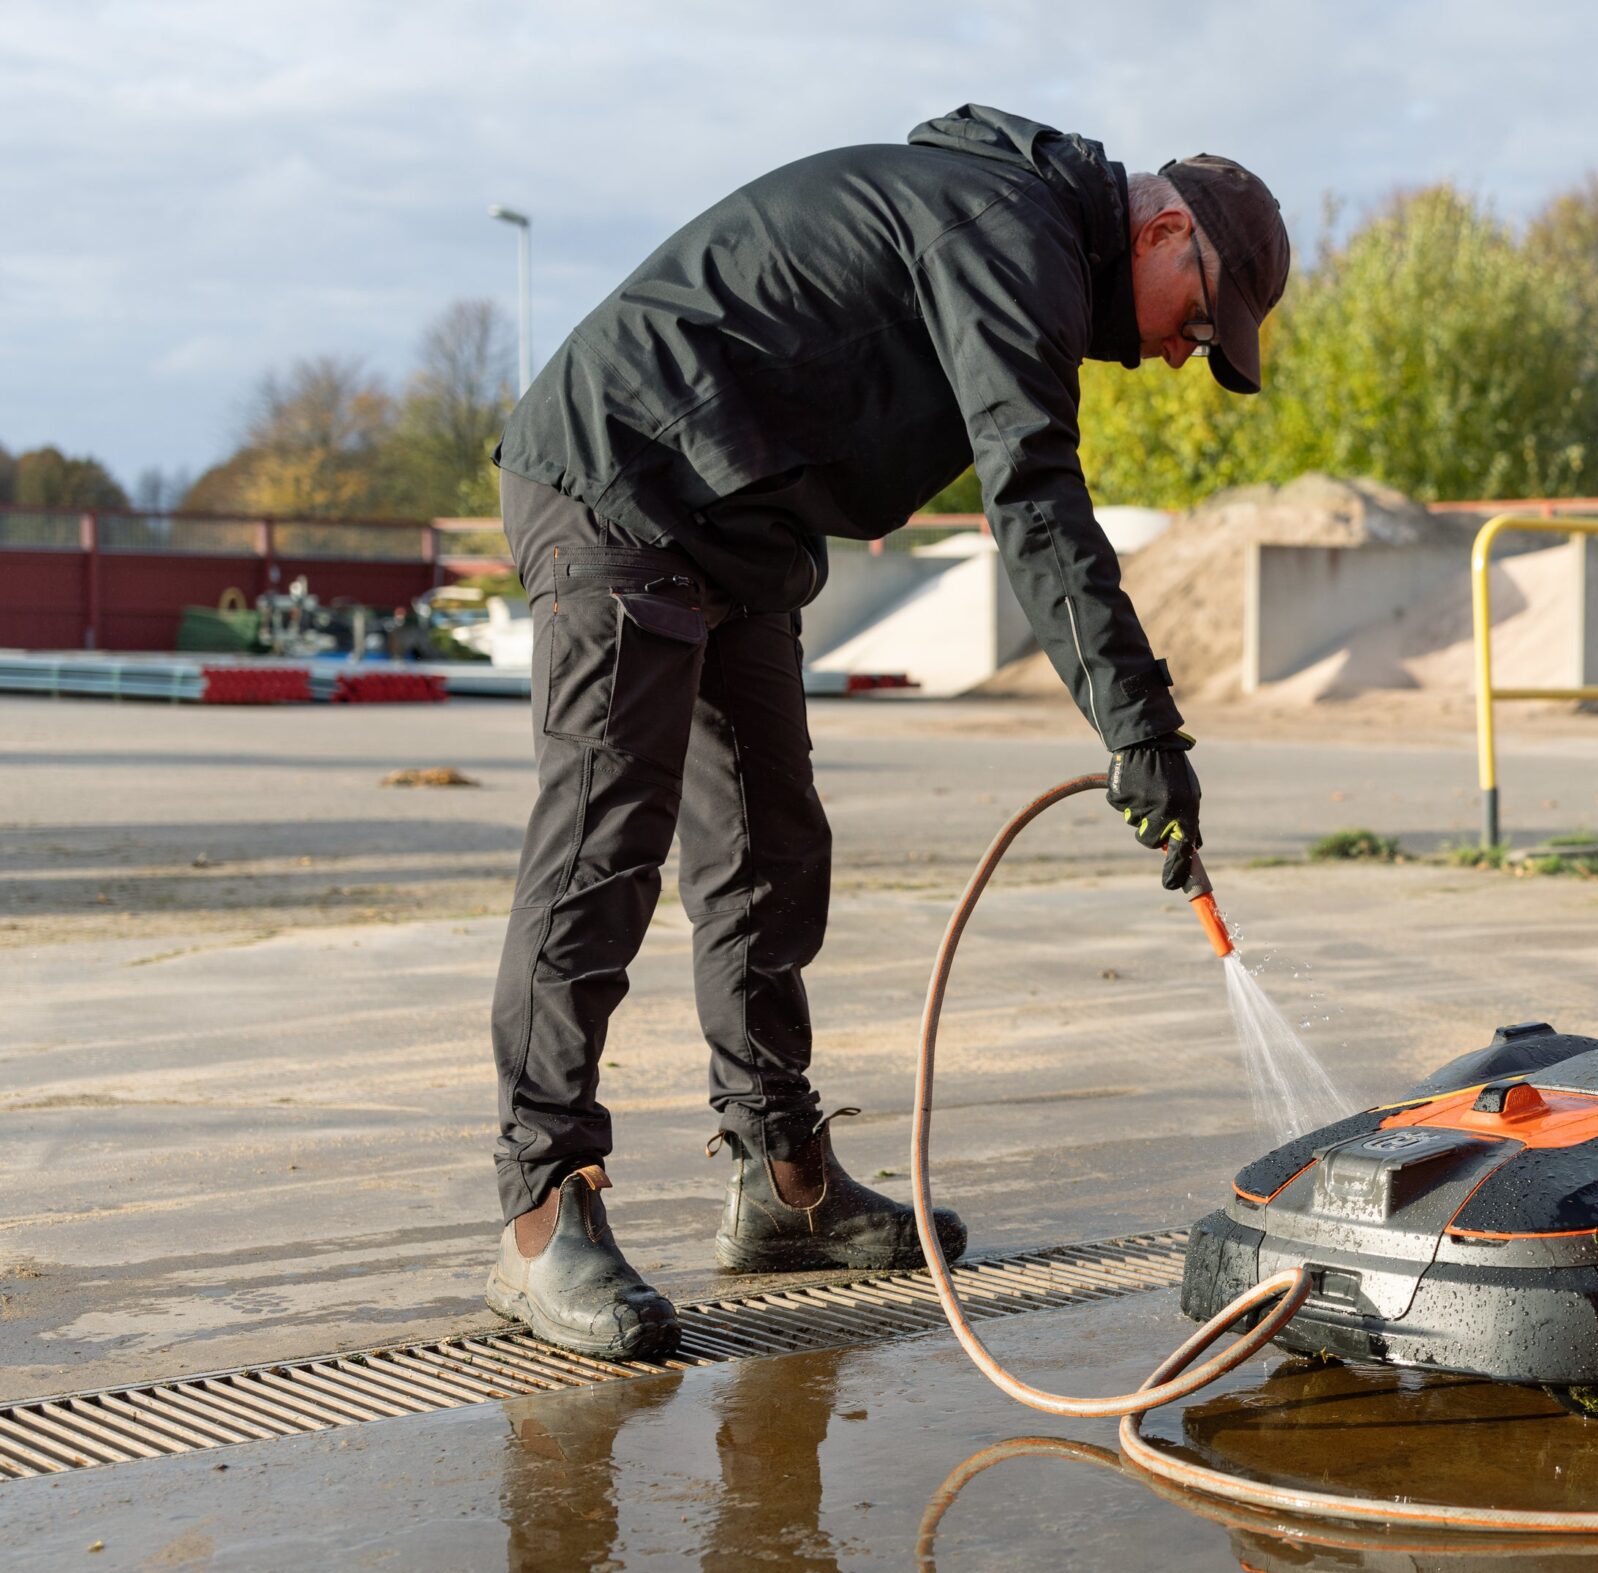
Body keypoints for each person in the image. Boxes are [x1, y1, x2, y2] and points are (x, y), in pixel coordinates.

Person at [480, 105, 1290, 1360]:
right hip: (620, 477)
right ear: (1163, 229)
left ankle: (780, 1181)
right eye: (1197, 317)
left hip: (731, 521)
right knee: (604, 842)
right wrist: (1141, 728)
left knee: (770, 848)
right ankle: (541, 1209)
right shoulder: (1009, 230)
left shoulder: (1018, 237)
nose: (1184, 354)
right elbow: (1033, 496)